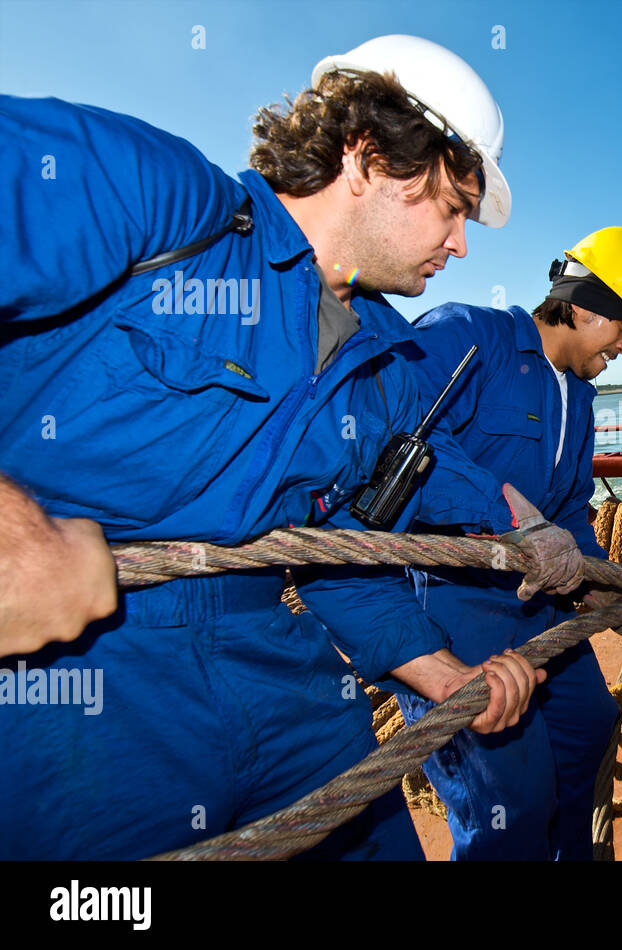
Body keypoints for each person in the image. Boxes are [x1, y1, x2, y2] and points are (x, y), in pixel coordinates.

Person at [0, 35, 548, 860]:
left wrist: (436, 671)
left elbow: (334, 554)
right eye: (452, 207)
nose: (463, 244)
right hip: (71, 672)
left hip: (274, 659)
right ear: (367, 156)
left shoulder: (386, 367)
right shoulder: (161, 203)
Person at [390, 227, 622, 860]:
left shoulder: (580, 396)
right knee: (510, 805)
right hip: (455, 614)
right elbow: (394, 428)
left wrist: (608, 594)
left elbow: (570, 513)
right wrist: (509, 514)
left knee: (588, 732)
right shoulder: (472, 337)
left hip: (542, 612)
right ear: (584, 306)